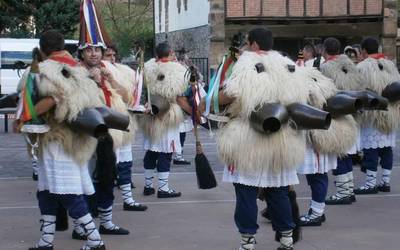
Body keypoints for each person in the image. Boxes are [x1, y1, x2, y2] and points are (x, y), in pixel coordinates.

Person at [208, 28, 312, 250]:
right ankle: (286, 239)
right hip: (282, 139)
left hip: (248, 139)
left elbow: (232, 94)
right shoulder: (287, 64)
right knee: (278, 192)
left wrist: (214, 97)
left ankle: (247, 242)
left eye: (247, 43)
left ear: (253, 44)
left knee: (246, 193)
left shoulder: (245, 63)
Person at [23, 30, 105, 250]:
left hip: (57, 141)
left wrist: (25, 115)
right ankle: (46, 241)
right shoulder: (79, 70)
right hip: (73, 141)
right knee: (46, 192)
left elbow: (51, 98)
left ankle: (95, 240)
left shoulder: (46, 70)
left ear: (42, 48)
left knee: (69, 194)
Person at [77, 43, 131, 236]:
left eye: (97, 50)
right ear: (81, 52)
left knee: (107, 178)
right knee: (85, 181)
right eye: (89, 50)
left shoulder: (107, 70)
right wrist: (88, 82)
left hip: (107, 137)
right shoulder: (75, 72)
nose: (94, 53)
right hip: (84, 137)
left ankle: (106, 222)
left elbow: (126, 96)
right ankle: (81, 226)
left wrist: (110, 82)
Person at [102, 44, 147, 211]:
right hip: (105, 124)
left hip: (123, 122)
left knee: (125, 163)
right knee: (104, 167)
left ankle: (128, 199)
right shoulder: (96, 72)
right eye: (108, 55)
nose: (112, 59)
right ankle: (101, 207)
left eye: (113, 55)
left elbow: (129, 97)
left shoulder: (124, 72)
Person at [139, 42, 188, 198]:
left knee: (152, 151)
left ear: (156, 54)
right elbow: (180, 94)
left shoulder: (147, 68)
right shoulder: (179, 70)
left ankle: (148, 186)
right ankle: (163, 188)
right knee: (166, 153)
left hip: (151, 112)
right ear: (171, 52)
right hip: (168, 115)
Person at [320, 38, 362, 205]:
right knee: (346, 155)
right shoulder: (351, 65)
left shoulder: (325, 67)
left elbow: (324, 92)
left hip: (338, 115)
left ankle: (344, 193)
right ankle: (349, 190)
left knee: (339, 154)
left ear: (324, 50)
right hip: (353, 113)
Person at [355, 37, 400, 194]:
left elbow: (359, 91)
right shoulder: (391, 65)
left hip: (372, 114)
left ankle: (370, 184)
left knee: (371, 150)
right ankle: (385, 182)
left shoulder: (362, 67)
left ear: (364, 51)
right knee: (387, 148)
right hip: (390, 112)